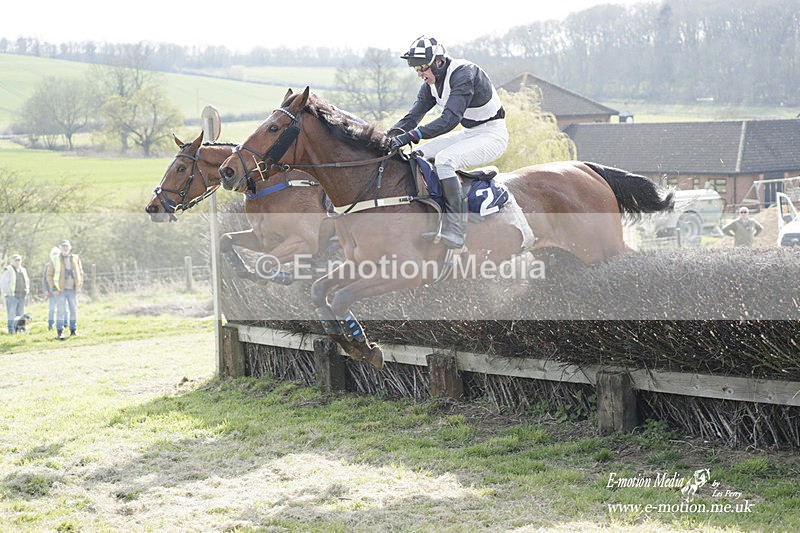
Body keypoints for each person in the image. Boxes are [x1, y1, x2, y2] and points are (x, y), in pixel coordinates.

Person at [387, 35, 508, 248]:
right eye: (415, 68)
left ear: (439, 62)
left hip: (493, 135)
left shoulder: (464, 74)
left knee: (445, 160)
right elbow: (412, 117)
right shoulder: (430, 84)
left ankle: (456, 229)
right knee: (416, 156)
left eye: (422, 67)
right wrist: (387, 137)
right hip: (470, 133)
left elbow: (449, 120)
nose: (419, 74)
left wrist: (410, 136)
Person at [46, 240, 84, 340]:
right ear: (60, 248)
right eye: (63, 246)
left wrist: (79, 286)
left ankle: (73, 330)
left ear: (70, 247)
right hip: (60, 290)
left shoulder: (76, 258)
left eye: (67, 246)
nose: (65, 248)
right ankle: (60, 332)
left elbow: (80, 273)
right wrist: (54, 288)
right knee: (60, 311)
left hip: (73, 290)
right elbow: (49, 275)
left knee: (73, 310)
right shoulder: (54, 259)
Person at [1, 254, 30, 334]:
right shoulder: (8, 270)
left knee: (20, 315)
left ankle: (19, 331)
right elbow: (3, 284)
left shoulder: (23, 270)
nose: (17, 262)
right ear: (12, 261)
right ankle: (11, 331)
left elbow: (27, 281)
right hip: (12, 297)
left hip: (22, 296)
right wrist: (10, 293)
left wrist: (27, 291)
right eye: (16, 260)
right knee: (11, 315)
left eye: (19, 260)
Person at [41, 247, 62, 330]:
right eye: (54, 254)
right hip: (51, 292)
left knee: (63, 309)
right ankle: (50, 325)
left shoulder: (62, 265)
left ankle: (64, 324)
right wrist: (46, 291)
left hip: (61, 292)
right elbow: (44, 279)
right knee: (52, 309)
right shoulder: (48, 266)